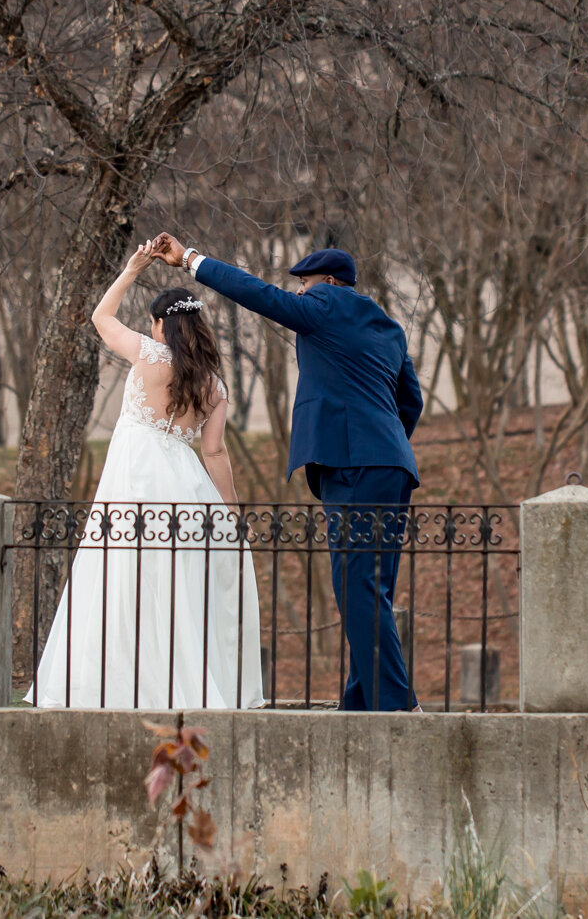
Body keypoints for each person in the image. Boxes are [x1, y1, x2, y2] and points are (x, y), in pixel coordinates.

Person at [151, 234, 422, 711]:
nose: (300, 292)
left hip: (353, 464)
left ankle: (398, 705)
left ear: (331, 283)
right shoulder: (390, 328)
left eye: (307, 283)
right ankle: (362, 700)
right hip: (393, 465)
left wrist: (191, 260)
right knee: (370, 587)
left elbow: (258, 294)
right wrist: (385, 442)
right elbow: (410, 402)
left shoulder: (325, 306)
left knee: (357, 586)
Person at [27, 239, 263, 709]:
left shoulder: (149, 355)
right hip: (186, 484)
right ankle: (180, 685)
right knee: (179, 587)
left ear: (160, 324)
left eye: (153, 323)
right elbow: (215, 453)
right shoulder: (215, 385)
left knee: (120, 577)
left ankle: (118, 685)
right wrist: (232, 514)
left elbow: (100, 318)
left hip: (136, 477)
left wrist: (132, 268)